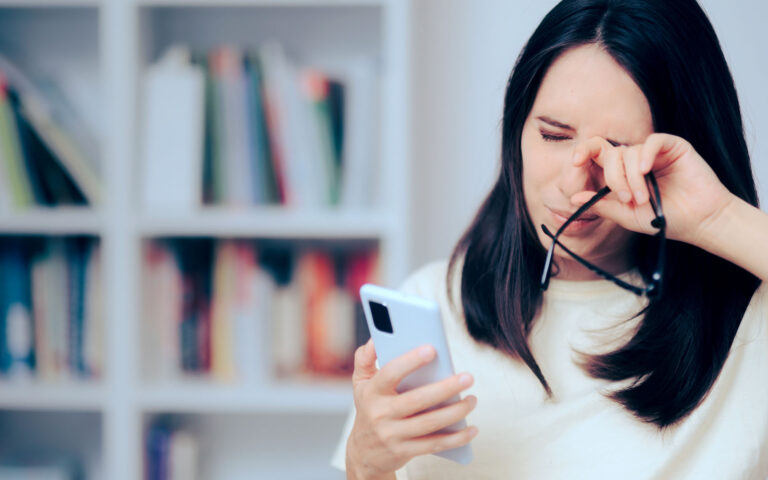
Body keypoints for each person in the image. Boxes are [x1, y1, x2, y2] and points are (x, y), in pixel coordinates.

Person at [332, 0, 768, 478]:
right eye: (554, 136)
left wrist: (718, 217)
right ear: (516, 130)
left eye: (618, 151)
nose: (574, 183)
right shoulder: (432, 304)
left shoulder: (751, 321)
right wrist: (364, 464)